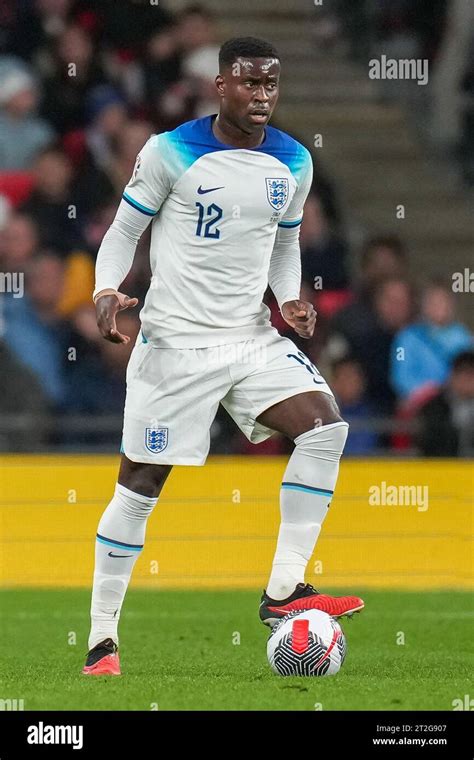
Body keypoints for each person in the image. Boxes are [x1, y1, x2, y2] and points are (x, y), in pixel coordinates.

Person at [83, 37, 364, 677]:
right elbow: (124, 232)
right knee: (140, 488)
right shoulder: (170, 151)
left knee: (325, 428)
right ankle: (102, 641)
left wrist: (289, 301)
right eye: (249, 83)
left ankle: (284, 592)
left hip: (249, 338)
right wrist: (106, 291)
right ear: (220, 85)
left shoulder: (293, 161)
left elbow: (284, 244)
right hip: (174, 346)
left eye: (271, 85)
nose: (261, 96)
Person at [417, 350, 474, 456]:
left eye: (471, 375)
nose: (467, 380)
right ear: (452, 376)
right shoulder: (434, 406)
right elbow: (428, 443)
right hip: (443, 466)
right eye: (463, 374)